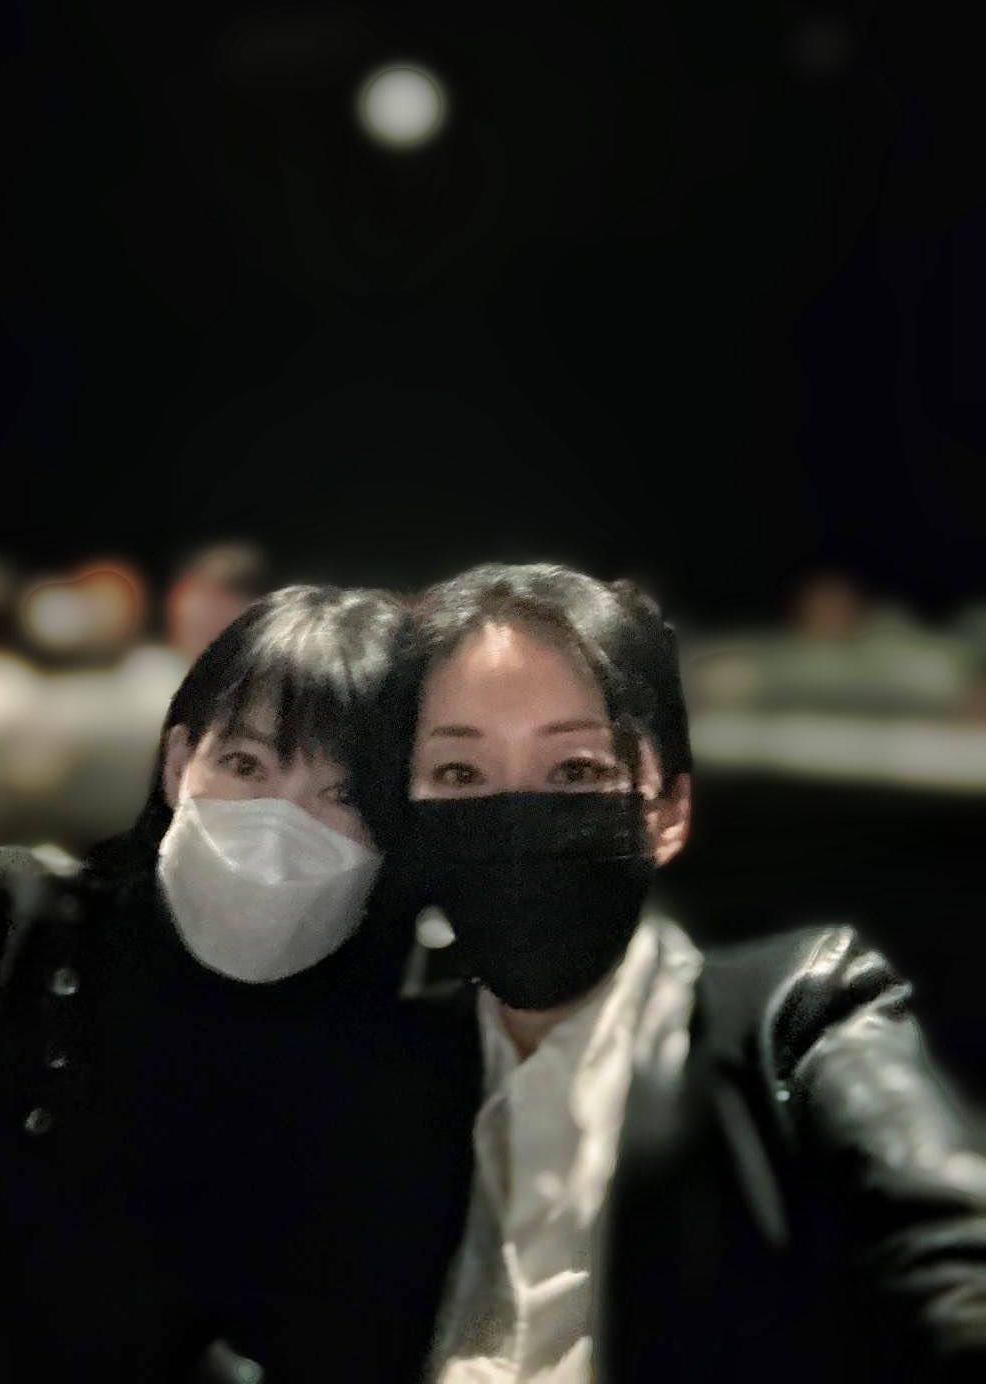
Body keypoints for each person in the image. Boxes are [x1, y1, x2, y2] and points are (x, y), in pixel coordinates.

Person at [0, 584, 474, 1383]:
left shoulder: (390, 1058)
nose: (278, 823)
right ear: (180, 764)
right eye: (244, 765)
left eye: (344, 793)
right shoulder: (5, 925)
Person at [384, 563, 986, 1384]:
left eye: (574, 771)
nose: (514, 818)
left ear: (665, 808)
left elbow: (953, 1260)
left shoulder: (795, 1018)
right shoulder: (379, 1057)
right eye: (459, 774)